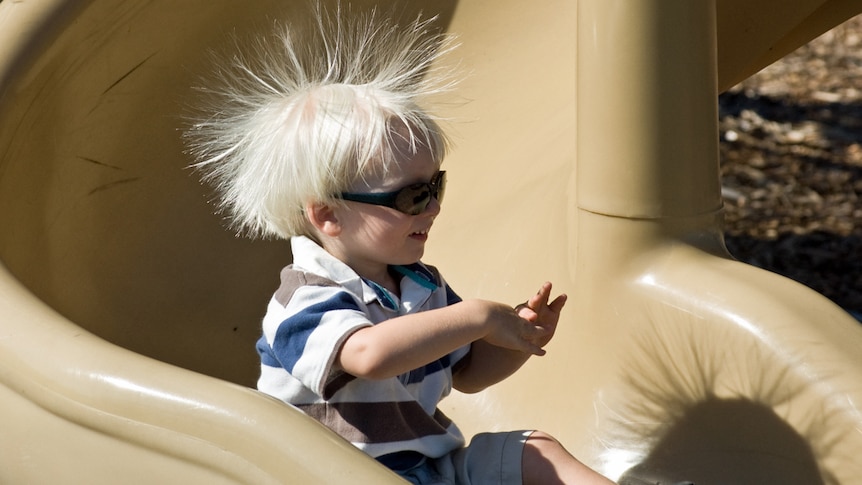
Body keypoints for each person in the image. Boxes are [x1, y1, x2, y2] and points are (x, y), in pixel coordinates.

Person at [186, 5, 613, 484]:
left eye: (437, 187)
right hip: (336, 476)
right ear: (327, 214)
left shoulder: (419, 285)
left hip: (427, 470)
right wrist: (478, 316)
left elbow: (467, 374)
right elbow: (368, 356)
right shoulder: (304, 299)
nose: (432, 208)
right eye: (413, 196)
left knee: (535, 451)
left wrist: (514, 341)